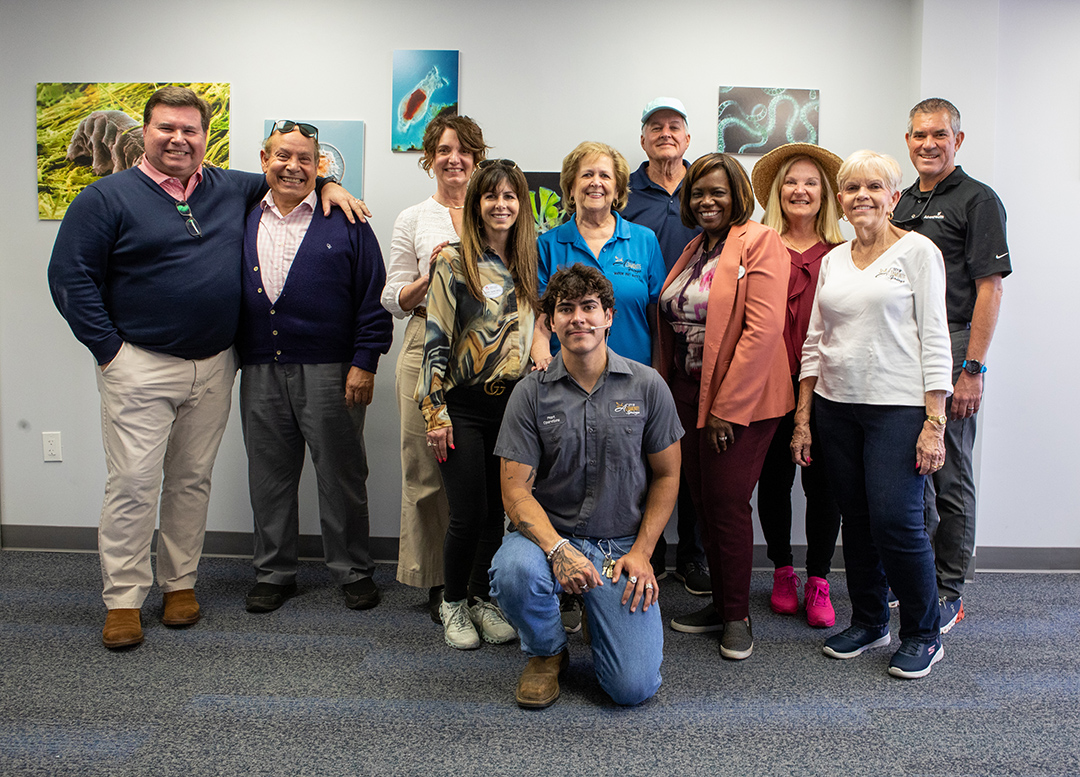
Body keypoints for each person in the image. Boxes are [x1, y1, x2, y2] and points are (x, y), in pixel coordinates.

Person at [47, 86, 365, 650]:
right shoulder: (106, 197)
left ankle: (179, 586)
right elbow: (70, 279)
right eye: (167, 128)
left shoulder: (227, 187)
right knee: (133, 484)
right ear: (144, 132)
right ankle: (123, 599)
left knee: (191, 482)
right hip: (139, 365)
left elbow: (291, 177)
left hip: (216, 366)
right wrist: (110, 353)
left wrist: (332, 182)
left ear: (205, 137)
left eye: (190, 130)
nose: (178, 139)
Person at [491, 264, 683, 708]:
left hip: (620, 548)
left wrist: (642, 552)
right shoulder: (531, 393)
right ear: (551, 322)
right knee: (513, 571)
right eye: (565, 309)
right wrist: (558, 551)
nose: (578, 318)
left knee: (632, 689)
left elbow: (668, 475)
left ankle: (601, 613)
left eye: (589, 307)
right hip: (549, 538)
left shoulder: (647, 385)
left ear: (609, 316)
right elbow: (515, 490)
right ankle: (547, 652)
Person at [793, 150, 953, 679]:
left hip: (898, 409)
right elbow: (816, 341)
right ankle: (869, 620)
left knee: (896, 521)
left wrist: (935, 422)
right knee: (856, 521)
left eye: (874, 187)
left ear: (894, 196)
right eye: (852, 188)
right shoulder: (834, 259)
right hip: (837, 408)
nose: (862, 196)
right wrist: (803, 416)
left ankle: (925, 632)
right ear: (840, 200)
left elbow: (935, 338)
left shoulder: (918, 252)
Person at [236, 121, 393, 613]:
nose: (293, 167)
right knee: (269, 476)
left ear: (319, 166)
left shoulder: (347, 219)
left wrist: (365, 361)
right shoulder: (238, 213)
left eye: (306, 159)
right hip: (260, 367)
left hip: (333, 369)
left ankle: (353, 571)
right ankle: (274, 572)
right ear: (264, 160)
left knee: (342, 475)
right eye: (283, 156)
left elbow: (375, 296)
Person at [659, 153, 792, 660]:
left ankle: (737, 617)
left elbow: (761, 332)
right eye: (697, 193)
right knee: (703, 503)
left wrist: (726, 410)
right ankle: (720, 601)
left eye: (717, 192)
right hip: (688, 392)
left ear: (738, 194)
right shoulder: (696, 247)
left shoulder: (760, 241)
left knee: (727, 504)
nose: (706, 201)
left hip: (743, 401)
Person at [893, 98, 1011, 633]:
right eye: (919, 135)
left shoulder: (978, 200)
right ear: (908, 139)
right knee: (910, 467)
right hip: (903, 345)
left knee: (951, 472)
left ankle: (948, 588)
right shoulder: (898, 203)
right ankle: (916, 577)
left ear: (957, 140)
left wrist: (973, 368)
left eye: (939, 134)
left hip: (956, 344)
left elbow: (990, 289)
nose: (928, 144)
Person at [418, 159, 539, 650]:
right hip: (462, 406)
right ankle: (452, 602)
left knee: (496, 511)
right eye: (492, 196)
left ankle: (481, 598)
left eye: (510, 197)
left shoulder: (529, 262)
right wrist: (435, 412)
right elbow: (435, 340)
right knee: (467, 512)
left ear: (521, 205)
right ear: (476, 203)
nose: (501, 205)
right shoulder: (453, 260)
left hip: (511, 409)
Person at [383, 113, 488, 621]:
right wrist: (432, 279)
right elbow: (390, 294)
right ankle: (434, 579)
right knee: (425, 468)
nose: (454, 159)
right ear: (430, 158)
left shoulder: (495, 212)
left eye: (464, 151)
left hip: (485, 351)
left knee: (478, 468)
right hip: (425, 340)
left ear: (477, 158)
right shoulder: (412, 219)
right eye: (444, 150)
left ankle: (477, 577)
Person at [750, 143, 845, 628]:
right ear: (777, 191)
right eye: (791, 181)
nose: (800, 190)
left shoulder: (844, 254)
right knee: (773, 479)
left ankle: (819, 579)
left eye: (810, 182)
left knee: (822, 484)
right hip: (769, 383)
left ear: (824, 193)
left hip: (826, 387)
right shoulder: (758, 247)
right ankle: (783, 572)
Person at [622, 96, 709, 595]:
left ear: (688, 137)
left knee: (689, 446)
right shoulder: (626, 193)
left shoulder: (706, 187)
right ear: (643, 139)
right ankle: (639, 550)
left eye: (675, 126)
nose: (666, 134)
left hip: (698, 336)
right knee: (638, 450)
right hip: (642, 335)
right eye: (655, 126)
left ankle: (693, 555)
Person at [532, 141, 665, 369]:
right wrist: (542, 357)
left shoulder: (645, 241)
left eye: (605, 175)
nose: (596, 182)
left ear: (617, 191)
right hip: (568, 379)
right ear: (571, 189)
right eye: (587, 175)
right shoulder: (547, 245)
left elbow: (659, 325)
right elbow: (542, 320)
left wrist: (658, 379)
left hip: (633, 378)